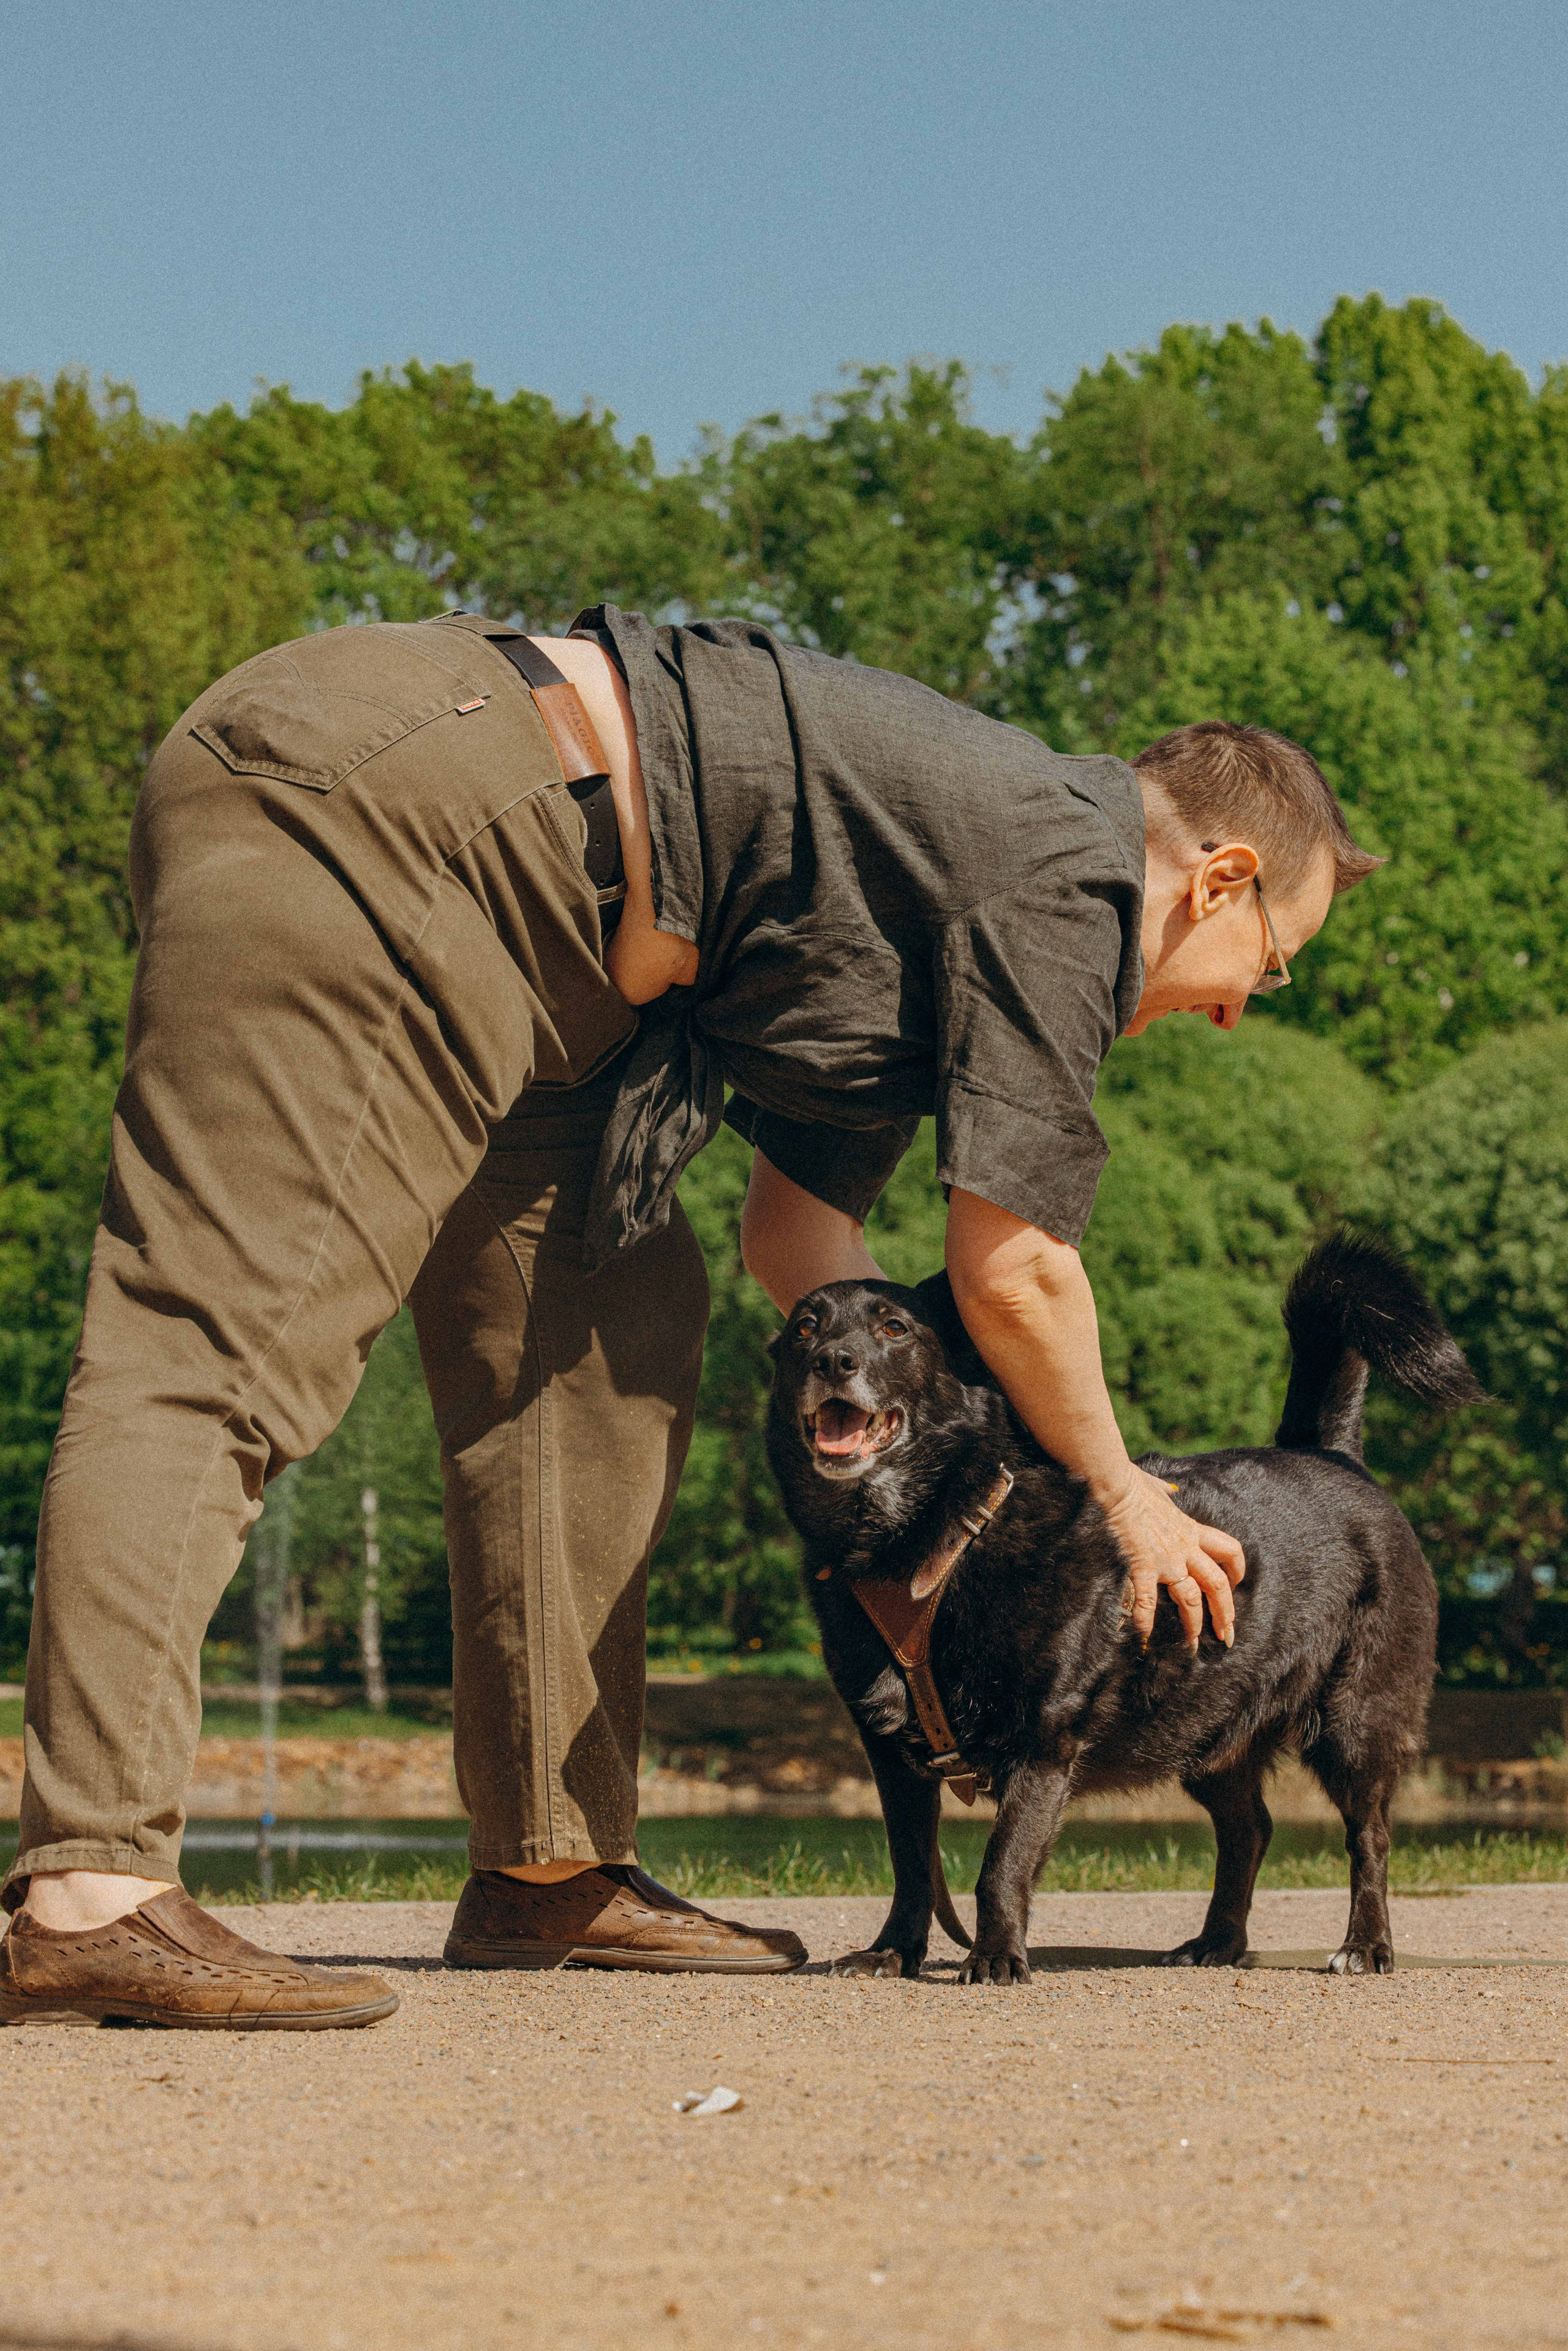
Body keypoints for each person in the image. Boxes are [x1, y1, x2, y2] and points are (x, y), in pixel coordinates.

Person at [0, 608, 1379, 2027]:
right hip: (408, 803)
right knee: (232, 1329)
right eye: (1268, 963)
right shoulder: (1066, 874)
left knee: (608, 1315)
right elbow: (1015, 1266)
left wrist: (950, 1460)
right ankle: (90, 1889)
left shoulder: (938, 913)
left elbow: (798, 1245)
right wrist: (1124, 1494)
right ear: (1217, 879)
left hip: (554, 955)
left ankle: (546, 1866)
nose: (1237, 1011)